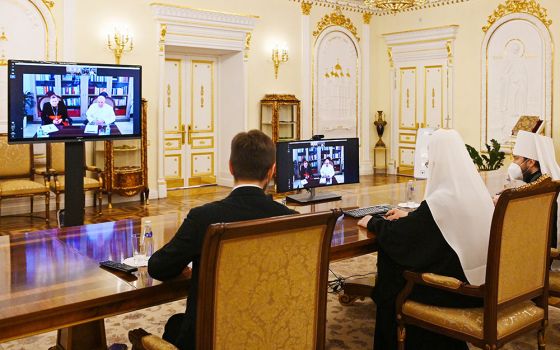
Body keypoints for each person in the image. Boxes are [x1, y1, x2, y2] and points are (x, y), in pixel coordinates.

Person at [143, 130, 297, 350]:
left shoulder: (203, 218)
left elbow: (158, 268)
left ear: (231, 167)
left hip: (211, 337)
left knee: (175, 325)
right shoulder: (291, 220)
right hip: (273, 332)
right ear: (272, 171)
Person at [358, 129, 493, 350]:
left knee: (393, 269)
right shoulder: (475, 193)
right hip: (483, 285)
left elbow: (403, 239)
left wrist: (374, 222)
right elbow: (436, 223)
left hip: (457, 291)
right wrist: (412, 216)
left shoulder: (442, 199)